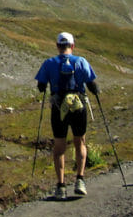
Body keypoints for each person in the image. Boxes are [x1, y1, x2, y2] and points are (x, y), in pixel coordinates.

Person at [34, 31, 99, 199]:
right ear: (72, 46)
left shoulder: (49, 63)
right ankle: (80, 180)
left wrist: (47, 86)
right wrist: (95, 92)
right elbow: (92, 84)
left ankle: (61, 186)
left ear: (57, 46)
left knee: (59, 147)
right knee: (80, 142)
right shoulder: (81, 61)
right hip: (78, 107)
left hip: (58, 108)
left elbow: (41, 86)